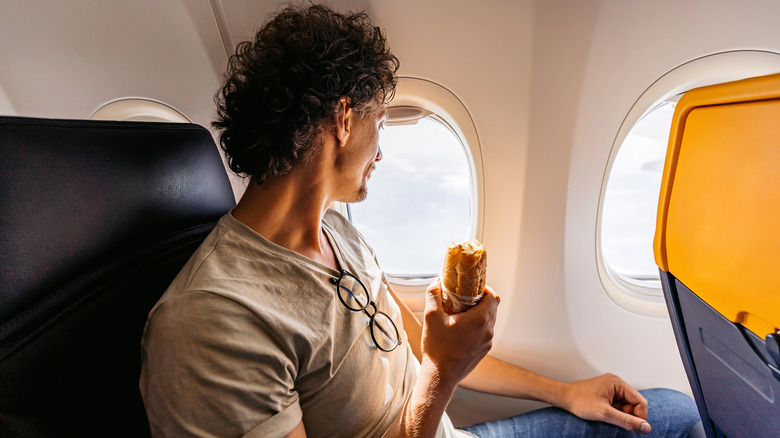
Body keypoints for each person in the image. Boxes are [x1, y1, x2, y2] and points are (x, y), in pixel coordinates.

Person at [139, 4, 702, 437]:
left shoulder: (335, 230)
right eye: (379, 121)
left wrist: (565, 391)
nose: (380, 151)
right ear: (342, 118)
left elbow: (415, 346)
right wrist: (443, 373)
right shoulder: (213, 323)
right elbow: (435, 367)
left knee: (677, 412)